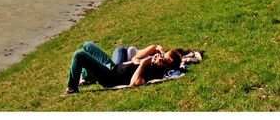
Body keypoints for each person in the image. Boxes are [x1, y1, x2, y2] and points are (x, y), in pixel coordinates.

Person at [67, 42, 203, 94]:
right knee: (88, 45)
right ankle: (88, 77)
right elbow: (138, 56)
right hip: (113, 67)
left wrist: (143, 64)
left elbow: (134, 84)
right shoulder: (153, 63)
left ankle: (72, 88)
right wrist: (156, 52)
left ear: (167, 67)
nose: (158, 57)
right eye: (161, 55)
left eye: (162, 59)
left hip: (110, 77)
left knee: (79, 55)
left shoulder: (153, 71)